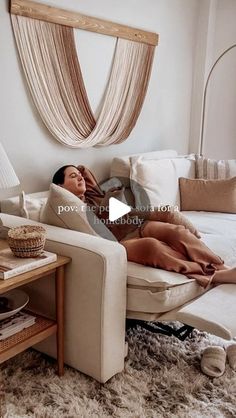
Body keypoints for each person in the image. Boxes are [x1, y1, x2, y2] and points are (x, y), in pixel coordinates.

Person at [52, 165, 236, 288]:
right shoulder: (72, 206)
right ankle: (212, 276)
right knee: (152, 246)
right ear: (60, 185)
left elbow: (85, 172)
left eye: (80, 176)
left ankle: (221, 267)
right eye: (73, 176)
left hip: (135, 225)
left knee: (175, 231)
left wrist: (77, 172)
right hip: (119, 242)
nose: (80, 178)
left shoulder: (92, 195)